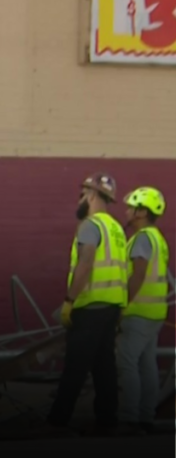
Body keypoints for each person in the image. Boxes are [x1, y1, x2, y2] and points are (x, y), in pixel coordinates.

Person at [44, 173, 128, 435]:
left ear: (92, 195)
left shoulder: (90, 226)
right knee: (104, 366)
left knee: (75, 366)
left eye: (82, 194)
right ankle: (107, 420)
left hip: (90, 306)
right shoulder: (115, 229)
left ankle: (58, 420)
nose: (79, 200)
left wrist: (69, 300)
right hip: (112, 307)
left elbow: (86, 262)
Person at [116, 186, 169, 434]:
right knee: (147, 365)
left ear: (141, 212)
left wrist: (121, 306)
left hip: (138, 314)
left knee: (127, 363)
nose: (126, 211)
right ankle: (146, 416)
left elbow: (138, 276)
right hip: (155, 314)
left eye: (130, 207)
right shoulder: (158, 238)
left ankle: (130, 418)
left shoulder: (142, 239)